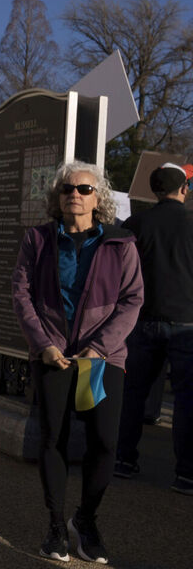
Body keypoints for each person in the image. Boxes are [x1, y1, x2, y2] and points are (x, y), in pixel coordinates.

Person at [11, 161, 143, 564]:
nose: (75, 194)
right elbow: (21, 293)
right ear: (58, 196)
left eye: (85, 189)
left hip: (103, 359)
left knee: (104, 442)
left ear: (98, 197)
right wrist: (43, 343)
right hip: (53, 356)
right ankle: (55, 526)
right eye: (68, 188)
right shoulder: (38, 239)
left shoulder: (121, 243)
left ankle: (85, 521)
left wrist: (100, 348)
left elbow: (132, 299)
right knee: (54, 439)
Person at [116, 162, 193, 494]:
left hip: (143, 319)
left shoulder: (137, 223)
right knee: (187, 400)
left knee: (132, 395)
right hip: (186, 321)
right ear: (184, 189)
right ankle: (187, 472)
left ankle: (122, 458)